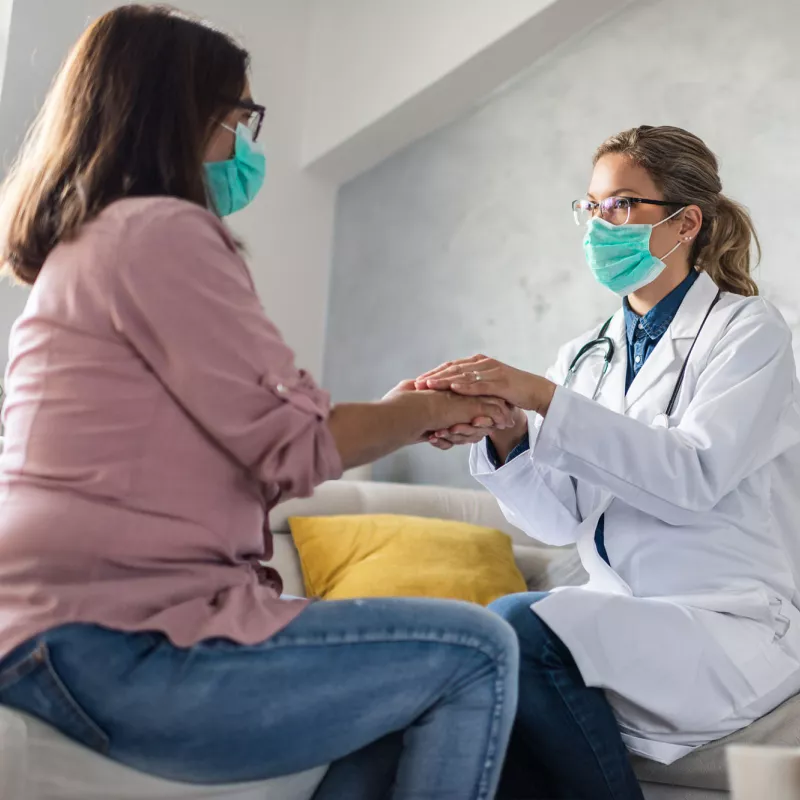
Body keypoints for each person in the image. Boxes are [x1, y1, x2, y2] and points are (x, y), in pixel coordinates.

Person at [0, 6, 522, 798]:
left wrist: (395, 411)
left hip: (56, 627)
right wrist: (430, 409)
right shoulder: (162, 232)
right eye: (240, 115)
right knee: (481, 648)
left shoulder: (92, 245)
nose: (243, 144)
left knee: (401, 693)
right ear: (185, 114)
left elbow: (263, 444)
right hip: (107, 640)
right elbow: (296, 444)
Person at [417, 125, 800, 800]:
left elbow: (693, 478)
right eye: (591, 206)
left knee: (514, 627)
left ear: (685, 223)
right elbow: (558, 521)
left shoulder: (753, 331)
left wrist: (538, 396)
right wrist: (510, 437)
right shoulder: (583, 355)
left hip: (727, 617)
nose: (600, 224)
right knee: (472, 693)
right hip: (619, 615)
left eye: (621, 204)